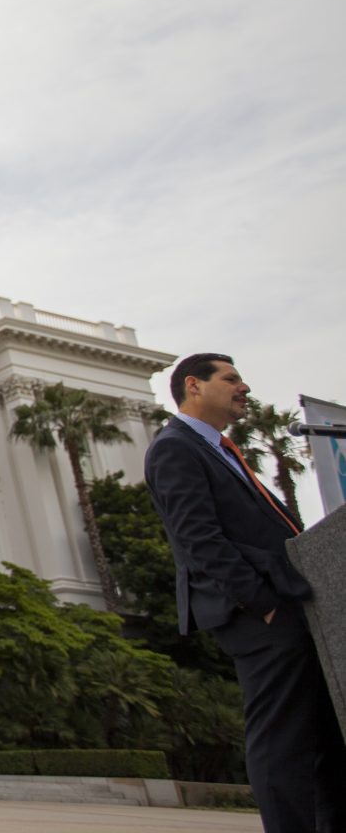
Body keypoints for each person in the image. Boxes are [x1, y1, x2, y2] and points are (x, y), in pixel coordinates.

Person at [144, 353, 344, 831]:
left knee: (322, 735)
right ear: (194, 385)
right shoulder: (175, 448)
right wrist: (262, 602)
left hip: (290, 606)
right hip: (257, 612)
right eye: (231, 379)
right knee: (282, 738)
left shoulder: (221, 449)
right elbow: (197, 539)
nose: (244, 388)